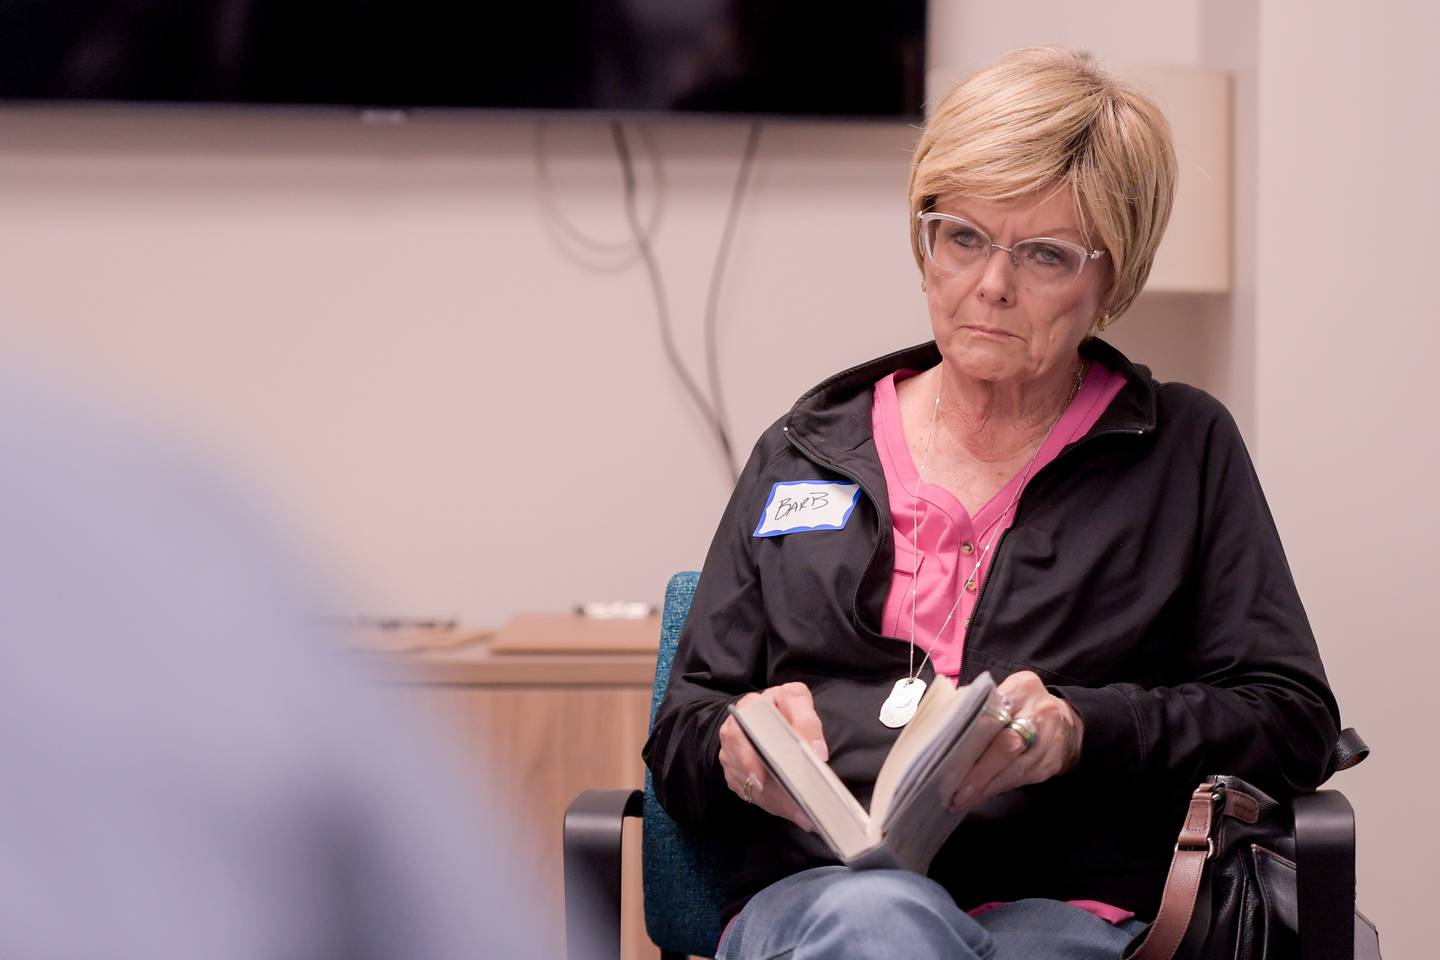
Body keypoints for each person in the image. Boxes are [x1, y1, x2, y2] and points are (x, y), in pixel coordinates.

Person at [642, 47, 1341, 960]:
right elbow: (684, 725)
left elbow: (1291, 719)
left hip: (1067, 913)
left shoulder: (1183, 450)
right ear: (924, 242)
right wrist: (733, 745)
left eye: (1045, 255)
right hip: (817, 905)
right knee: (877, 923)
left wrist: (1082, 730)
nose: (991, 286)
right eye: (962, 237)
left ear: (1111, 278)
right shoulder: (804, 448)